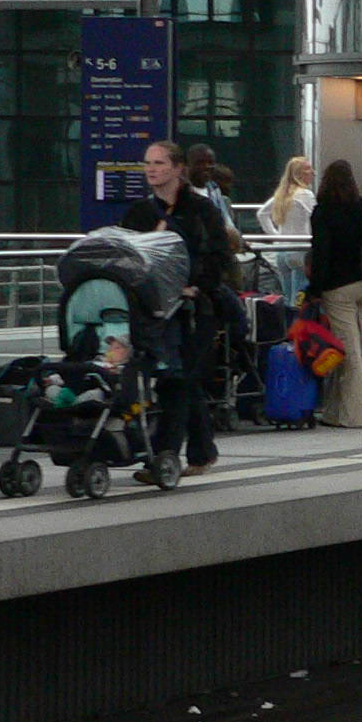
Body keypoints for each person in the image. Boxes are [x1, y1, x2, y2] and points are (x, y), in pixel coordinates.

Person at [122, 141, 228, 476]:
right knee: (184, 380)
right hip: (155, 309)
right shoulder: (140, 212)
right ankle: (202, 452)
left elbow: (219, 256)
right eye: (147, 163)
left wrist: (197, 286)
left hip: (194, 308)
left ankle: (164, 455)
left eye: (159, 163)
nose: (151, 169)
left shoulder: (200, 210)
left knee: (176, 380)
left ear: (178, 168)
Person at [305, 159, 362, 428]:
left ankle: (355, 415)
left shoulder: (323, 212)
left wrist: (314, 290)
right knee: (351, 348)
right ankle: (334, 410)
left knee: (348, 353)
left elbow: (322, 254)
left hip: (340, 288)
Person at [261, 155, 314, 304]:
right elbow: (315, 219)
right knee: (300, 297)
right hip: (300, 250)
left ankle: (287, 318)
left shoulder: (282, 194)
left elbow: (262, 214)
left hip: (282, 251)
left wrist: (276, 237)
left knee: (287, 297)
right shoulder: (305, 194)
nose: (313, 172)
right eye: (308, 169)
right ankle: (297, 318)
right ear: (299, 174)